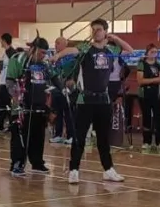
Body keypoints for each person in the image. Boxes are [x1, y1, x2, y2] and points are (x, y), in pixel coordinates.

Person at [53, 19, 133, 184]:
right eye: (93, 29)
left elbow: (130, 50)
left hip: (103, 99)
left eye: (99, 29)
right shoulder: (85, 48)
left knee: (103, 138)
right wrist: (57, 55)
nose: (95, 32)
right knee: (79, 137)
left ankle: (108, 170)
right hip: (85, 100)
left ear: (105, 32)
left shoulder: (111, 50)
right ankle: (74, 170)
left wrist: (115, 38)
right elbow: (70, 50)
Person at [6, 36, 53, 177]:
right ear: (33, 49)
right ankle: (17, 164)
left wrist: (48, 105)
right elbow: (10, 82)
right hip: (22, 107)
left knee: (38, 136)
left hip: (39, 106)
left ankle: (37, 163)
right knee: (20, 137)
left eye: (45, 53)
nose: (43, 56)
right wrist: (17, 97)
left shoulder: (43, 66)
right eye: (41, 52)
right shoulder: (18, 59)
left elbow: (49, 85)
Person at [137, 44, 160, 151]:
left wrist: (150, 80)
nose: (154, 54)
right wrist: (155, 79)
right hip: (144, 95)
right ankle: (146, 141)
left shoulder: (159, 64)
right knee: (147, 118)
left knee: (158, 118)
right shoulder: (142, 64)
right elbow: (140, 81)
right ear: (147, 53)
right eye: (151, 52)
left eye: (155, 52)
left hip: (156, 94)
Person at [50, 36, 76, 145]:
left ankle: (71, 135)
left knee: (69, 113)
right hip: (56, 89)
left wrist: (73, 80)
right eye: (55, 43)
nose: (56, 45)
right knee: (58, 112)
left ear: (65, 45)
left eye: (58, 43)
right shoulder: (54, 58)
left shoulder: (71, 57)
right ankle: (58, 135)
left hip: (68, 89)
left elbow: (76, 70)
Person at [0, 33, 18, 131]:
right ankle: (1, 125)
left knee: (5, 105)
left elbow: (14, 68)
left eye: (1, 40)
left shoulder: (12, 53)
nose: (0, 42)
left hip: (7, 83)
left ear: (4, 41)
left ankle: (6, 125)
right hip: (2, 82)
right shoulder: (5, 53)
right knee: (3, 105)